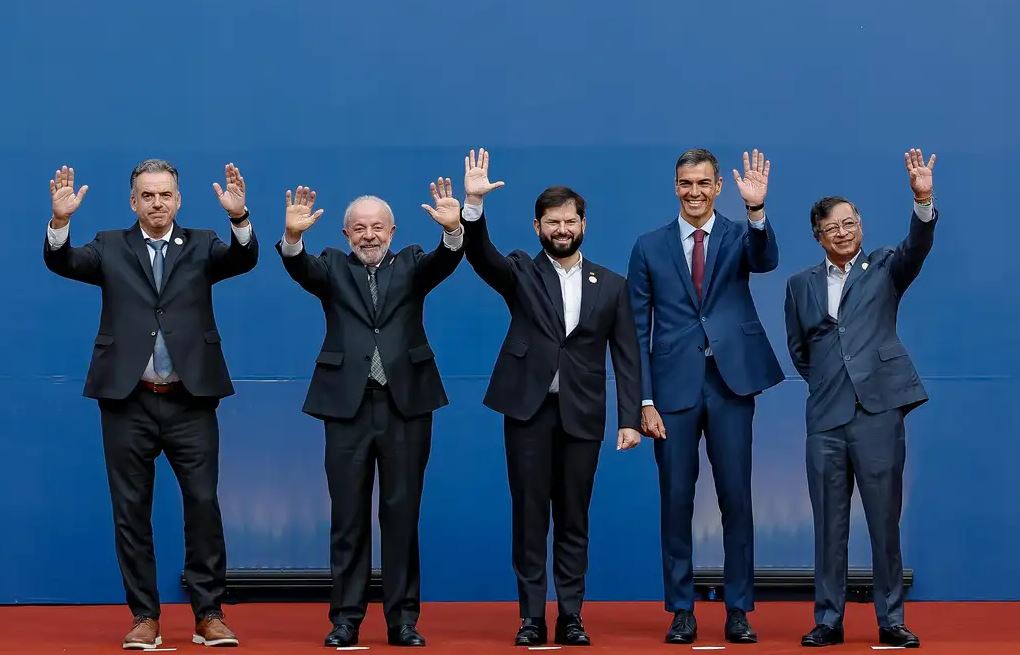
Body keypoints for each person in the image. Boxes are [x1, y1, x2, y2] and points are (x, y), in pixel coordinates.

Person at [43, 160, 258, 649]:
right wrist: (59, 222)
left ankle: (209, 614)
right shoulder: (109, 245)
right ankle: (145, 617)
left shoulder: (202, 243)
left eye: (165, 194)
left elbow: (243, 259)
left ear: (178, 199)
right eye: (147, 195)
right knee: (130, 511)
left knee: (203, 505)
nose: (157, 203)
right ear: (133, 202)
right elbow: (63, 262)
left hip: (191, 399)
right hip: (127, 400)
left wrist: (240, 217)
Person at [458, 148, 642, 647]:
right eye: (552, 222)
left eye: (570, 220)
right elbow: (480, 255)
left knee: (574, 518)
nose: (562, 229)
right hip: (528, 412)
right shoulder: (520, 270)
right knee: (530, 515)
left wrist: (631, 417)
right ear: (537, 226)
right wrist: (472, 206)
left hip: (584, 414)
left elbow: (627, 356)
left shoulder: (613, 286)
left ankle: (573, 616)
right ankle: (532, 618)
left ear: (583, 223)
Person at [276, 181, 465, 648]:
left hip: (407, 405)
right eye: (358, 228)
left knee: (401, 515)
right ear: (344, 233)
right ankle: (346, 619)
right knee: (348, 517)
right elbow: (299, 267)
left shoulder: (414, 264)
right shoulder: (332, 268)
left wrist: (454, 229)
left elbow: (448, 258)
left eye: (377, 227)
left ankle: (402, 620)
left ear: (393, 231)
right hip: (347, 407)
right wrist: (293, 238)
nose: (368, 235)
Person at [627, 148, 783, 644]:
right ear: (675, 186)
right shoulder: (649, 245)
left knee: (736, 499)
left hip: (730, 384)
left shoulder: (740, 235)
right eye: (684, 183)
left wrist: (756, 211)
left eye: (702, 183)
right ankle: (681, 610)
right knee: (675, 501)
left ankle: (739, 609)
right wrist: (643, 401)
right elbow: (635, 328)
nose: (693, 192)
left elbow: (766, 260)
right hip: (671, 391)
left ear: (718, 186)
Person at [785, 149, 937, 649]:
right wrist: (831, 382)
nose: (844, 232)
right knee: (829, 527)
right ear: (818, 236)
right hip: (825, 418)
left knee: (883, 522)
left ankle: (891, 620)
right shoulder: (799, 285)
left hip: (877, 413)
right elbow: (800, 351)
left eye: (851, 223)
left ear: (861, 225)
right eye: (833, 228)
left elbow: (917, 247)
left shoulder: (887, 266)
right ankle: (828, 620)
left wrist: (922, 199)